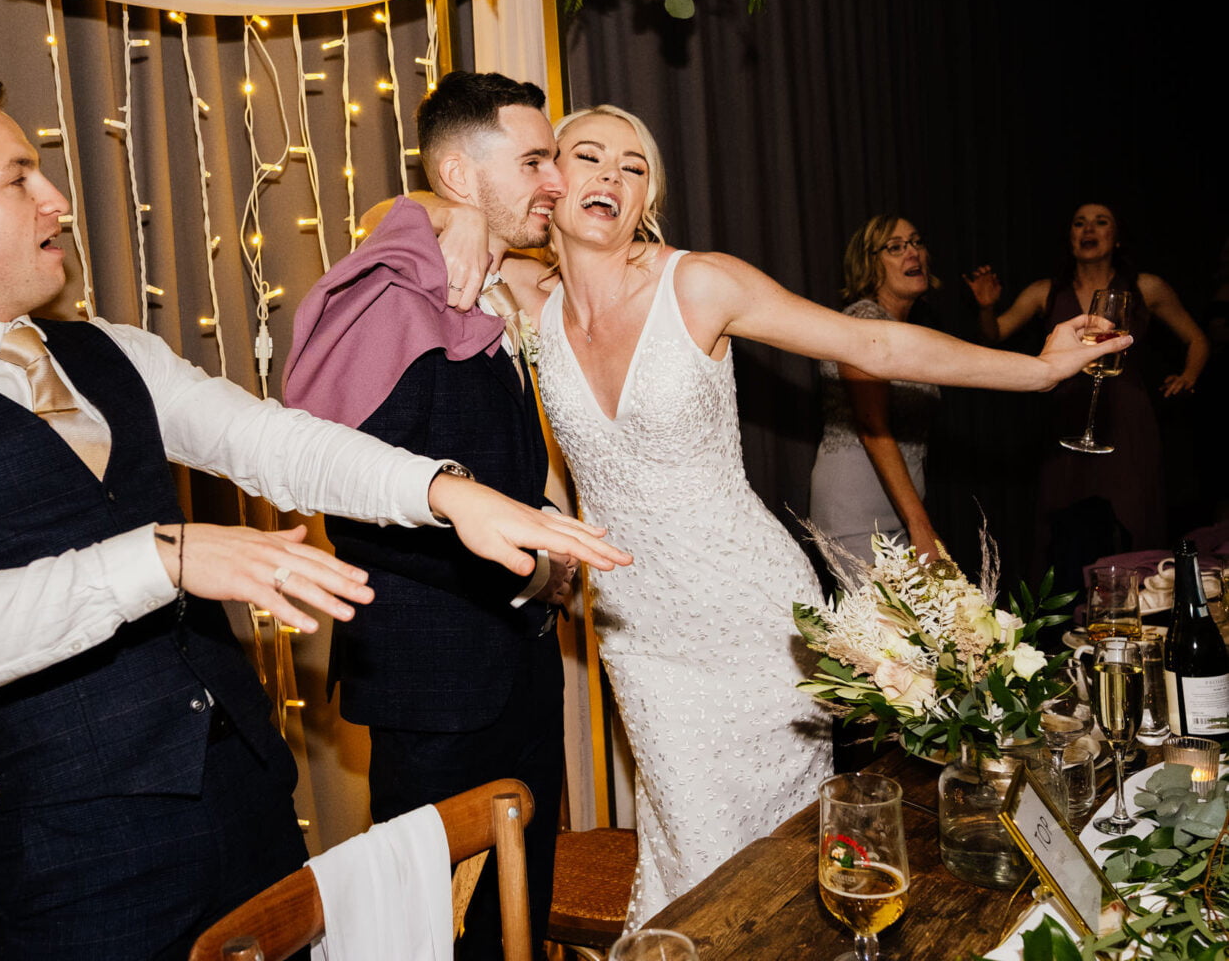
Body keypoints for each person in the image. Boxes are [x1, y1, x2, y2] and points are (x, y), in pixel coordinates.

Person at [0, 78, 629, 960]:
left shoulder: (115, 352)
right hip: (81, 867)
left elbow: (274, 442)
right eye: (18, 178)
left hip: (254, 807)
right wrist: (162, 556)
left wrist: (446, 491)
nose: (56, 198)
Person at [416, 104, 1128, 926]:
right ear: (551, 181)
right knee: (689, 847)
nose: (611, 174)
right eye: (588, 156)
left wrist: (1037, 372)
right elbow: (386, 220)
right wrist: (461, 214)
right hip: (641, 636)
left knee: (769, 855)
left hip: (754, 620)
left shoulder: (700, 283)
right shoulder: (527, 296)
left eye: (634, 165)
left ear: (647, 200)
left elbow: (872, 348)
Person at [282, 71, 574, 960]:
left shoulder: (489, 285)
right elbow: (358, 503)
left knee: (519, 917)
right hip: (437, 684)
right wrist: (533, 575)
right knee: (426, 933)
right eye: (533, 161)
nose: (554, 181)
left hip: (521, 676)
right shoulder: (389, 301)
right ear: (456, 173)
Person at [968, 202, 1209, 581]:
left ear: (1116, 238)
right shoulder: (1044, 292)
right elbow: (993, 334)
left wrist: (1189, 375)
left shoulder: (1147, 287)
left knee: (1134, 518)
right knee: (1062, 526)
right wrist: (986, 307)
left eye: (1100, 222)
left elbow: (1196, 338)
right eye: (1079, 223)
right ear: (1070, 237)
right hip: (1068, 419)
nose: (1088, 229)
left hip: (1126, 420)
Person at [809, 215, 944, 578]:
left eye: (916, 242)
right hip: (857, 511)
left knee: (920, 630)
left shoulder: (904, 329)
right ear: (869, 264)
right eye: (895, 247)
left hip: (899, 508)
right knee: (883, 632)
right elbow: (872, 427)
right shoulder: (864, 323)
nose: (912, 253)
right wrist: (921, 526)